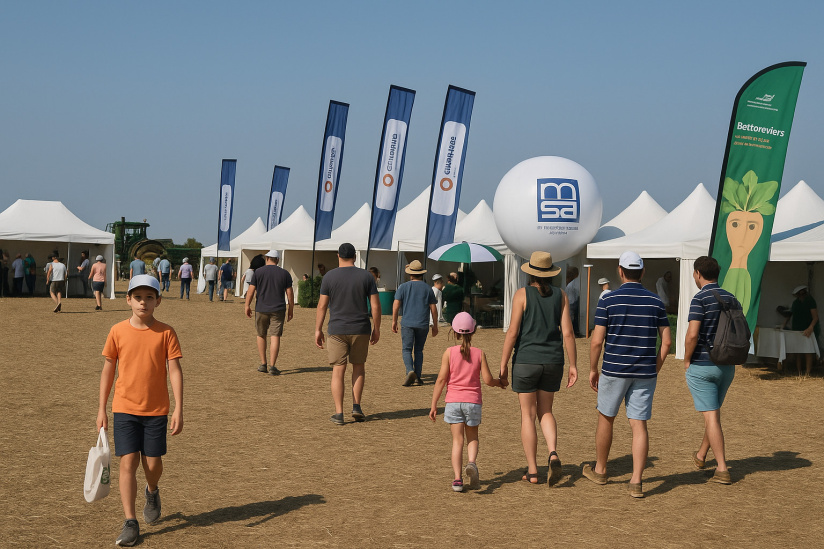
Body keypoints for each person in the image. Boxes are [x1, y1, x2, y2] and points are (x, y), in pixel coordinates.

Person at [96, 274, 183, 546]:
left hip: (156, 410)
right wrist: (102, 408)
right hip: (124, 408)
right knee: (128, 462)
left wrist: (179, 407)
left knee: (152, 464)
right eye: (137, 297)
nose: (143, 302)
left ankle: (152, 490)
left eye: (149, 297)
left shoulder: (166, 332)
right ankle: (130, 522)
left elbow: (175, 371)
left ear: (158, 300)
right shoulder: (117, 331)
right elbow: (108, 370)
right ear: (128, 300)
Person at [583, 251, 671, 498]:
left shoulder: (608, 300)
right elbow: (666, 342)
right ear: (642, 272)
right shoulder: (655, 302)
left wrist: (592, 368)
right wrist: (656, 367)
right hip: (645, 372)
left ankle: (600, 470)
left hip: (614, 369)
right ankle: (636, 481)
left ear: (620, 271)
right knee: (639, 424)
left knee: (606, 418)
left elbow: (596, 341)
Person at [500, 251, 578, 486]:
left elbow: (512, 332)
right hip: (553, 361)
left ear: (530, 274)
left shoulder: (522, 294)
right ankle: (552, 453)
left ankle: (533, 471)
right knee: (546, 412)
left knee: (528, 415)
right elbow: (568, 333)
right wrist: (573, 365)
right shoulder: (561, 295)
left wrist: (503, 364)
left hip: (526, 360)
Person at [429, 312, 502, 492]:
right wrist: (499, 382)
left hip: (453, 402)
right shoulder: (479, 353)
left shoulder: (449, 353)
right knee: (472, 437)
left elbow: (441, 379)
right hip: (473, 402)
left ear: (455, 332)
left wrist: (434, 404)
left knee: (457, 441)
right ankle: (471, 463)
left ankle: (457, 479)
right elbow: (488, 380)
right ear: (473, 331)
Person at [683, 256, 738, 485]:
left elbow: (692, 334)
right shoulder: (731, 298)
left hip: (703, 365)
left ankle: (722, 469)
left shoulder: (700, 298)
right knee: (712, 413)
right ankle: (701, 455)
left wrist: (687, 359)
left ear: (698, 273)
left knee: (712, 417)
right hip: (727, 366)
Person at [315, 243, 380, 425]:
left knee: (338, 370)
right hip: (361, 328)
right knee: (358, 367)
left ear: (338, 256)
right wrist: (377, 328)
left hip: (337, 329)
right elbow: (375, 305)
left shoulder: (329, 277)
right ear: (355, 256)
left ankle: (339, 413)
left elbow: (322, 306)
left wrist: (318, 329)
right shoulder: (366, 276)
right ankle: (356, 406)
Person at [245, 250, 294, 375]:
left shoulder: (258, 272)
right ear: (278, 260)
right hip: (278, 309)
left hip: (261, 308)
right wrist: (291, 309)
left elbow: (251, 290)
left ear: (267, 258)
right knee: (275, 336)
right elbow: (289, 293)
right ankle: (272, 366)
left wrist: (247, 305)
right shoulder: (285, 273)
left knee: (261, 335)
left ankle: (263, 364)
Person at [392, 260, 439, 386]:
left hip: (407, 323)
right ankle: (417, 376)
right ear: (422, 274)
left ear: (410, 274)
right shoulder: (428, 288)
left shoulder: (403, 287)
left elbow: (396, 305)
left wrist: (394, 321)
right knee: (418, 350)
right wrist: (435, 325)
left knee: (407, 349)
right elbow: (433, 309)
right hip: (423, 324)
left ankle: (410, 370)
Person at [782, 285, 820, 376]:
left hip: (808, 329)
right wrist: (783, 325)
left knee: (808, 350)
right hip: (797, 329)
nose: (801, 296)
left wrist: (810, 327)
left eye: (802, 294)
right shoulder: (795, 303)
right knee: (798, 350)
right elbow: (790, 314)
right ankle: (799, 371)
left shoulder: (810, 301)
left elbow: (815, 317)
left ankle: (807, 372)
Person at [565, 266, 582, 337]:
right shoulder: (573, 284)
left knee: (573, 318)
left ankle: (575, 332)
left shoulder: (570, 284)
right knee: (573, 319)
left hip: (571, 302)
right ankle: (574, 332)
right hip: (572, 303)